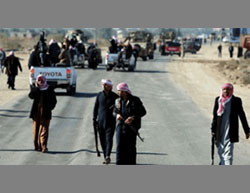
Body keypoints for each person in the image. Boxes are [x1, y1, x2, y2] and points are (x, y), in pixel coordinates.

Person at [211, 83, 250, 165]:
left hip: (230, 134)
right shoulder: (218, 100)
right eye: (224, 89)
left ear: (231, 90)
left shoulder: (236, 101)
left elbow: (242, 116)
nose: (226, 91)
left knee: (228, 157)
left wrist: (247, 130)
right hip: (219, 134)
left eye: (228, 89)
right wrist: (213, 130)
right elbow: (215, 117)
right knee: (221, 155)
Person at [114, 82, 146, 165]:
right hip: (120, 127)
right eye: (117, 91)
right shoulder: (117, 101)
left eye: (119, 91)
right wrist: (117, 115)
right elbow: (113, 111)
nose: (118, 93)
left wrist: (133, 118)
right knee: (119, 147)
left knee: (130, 148)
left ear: (125, 91)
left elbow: (143, 112)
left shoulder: (135, 100)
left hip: (131, 128)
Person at [28, 75, 57, 153]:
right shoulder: (36, 89)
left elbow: (54, 101)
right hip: (36, 113)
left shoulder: (49, 89)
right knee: (36, 130)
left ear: (45, 80)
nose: (40, 82)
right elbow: (30, 96)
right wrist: (37, 88)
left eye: (42, 80)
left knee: (44, 130)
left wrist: (50, 108)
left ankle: (43, 146)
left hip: (46, 113)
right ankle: (37, 146)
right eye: (39, 80)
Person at [93, 79, 119, 164]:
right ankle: (105, 156)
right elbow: (96, 108)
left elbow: (119, 107)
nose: (104, 86)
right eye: (104, 85)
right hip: (100, 122)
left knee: (109, 139)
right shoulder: (99, 96)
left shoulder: (115, 97)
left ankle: (108, 155)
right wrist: (94, 119)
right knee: (102, 140)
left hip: (110, 122)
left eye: (108, 85)